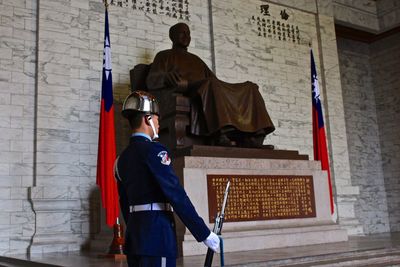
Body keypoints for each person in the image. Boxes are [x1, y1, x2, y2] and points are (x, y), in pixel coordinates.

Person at [115, 90, 220, 267]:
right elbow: (176, 194)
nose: (158, 122)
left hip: (135, 240)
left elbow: (125, 204)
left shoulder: (120, 159)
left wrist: (138, 231)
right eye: (156, 118)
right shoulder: (155, 152)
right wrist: (203, 233)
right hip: (158, 239)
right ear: (148, 119)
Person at [146, 22, 275, 147]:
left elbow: (216, 82)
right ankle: (219, 133)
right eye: (182, 33)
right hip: (187, 90)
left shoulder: (196, 60)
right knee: (210, 84)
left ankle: (255, 135)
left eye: (188, 33)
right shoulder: (164, 56)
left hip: (206, 88)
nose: (186, 36)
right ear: (172, 36)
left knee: (250, 87)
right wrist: (165, 77)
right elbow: (151, 80)